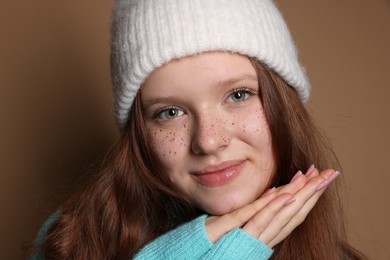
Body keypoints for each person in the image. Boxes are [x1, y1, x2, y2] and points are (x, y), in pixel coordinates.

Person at [31, 0, 366, 259]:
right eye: (170, 112)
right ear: (140, 134)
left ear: (284, 106)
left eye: (238, 95)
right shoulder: (74, 240)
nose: (208, 140)